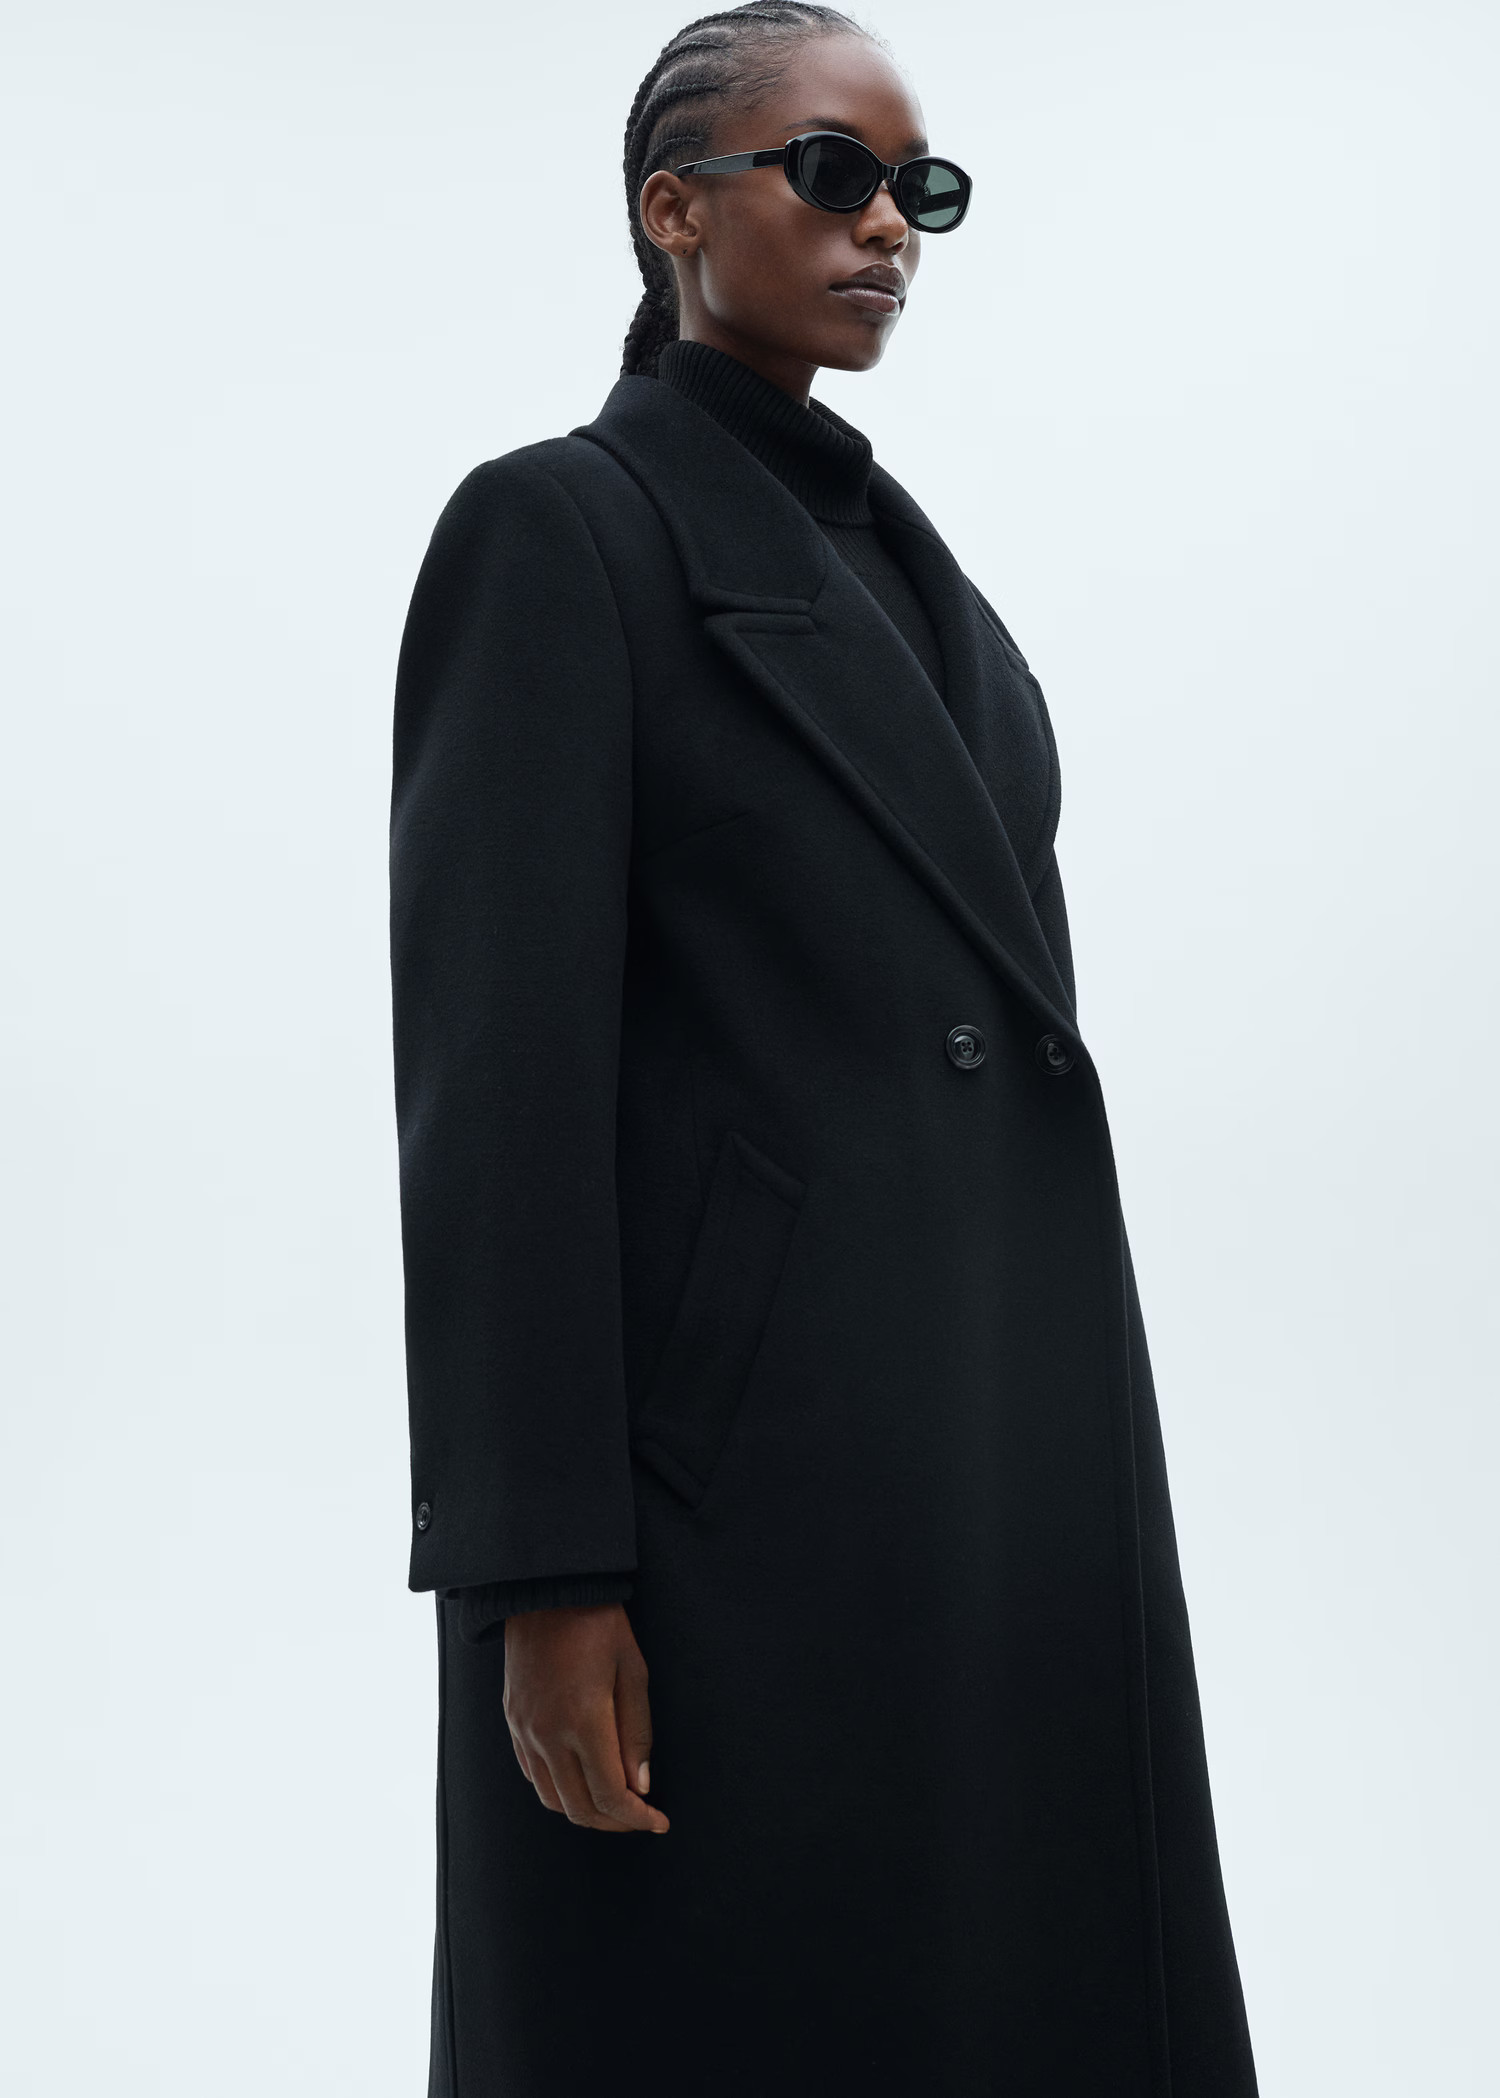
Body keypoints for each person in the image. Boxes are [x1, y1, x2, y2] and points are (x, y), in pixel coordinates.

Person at [388, 6, 1260, 2093]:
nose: (890, 227)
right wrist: (540, 1569)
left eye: (919, 189)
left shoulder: (909, 571)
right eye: (835, 174)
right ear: (673, 210)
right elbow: (497, 1093)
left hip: (997, 1445)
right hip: (732, 1503)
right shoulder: (562, 534)